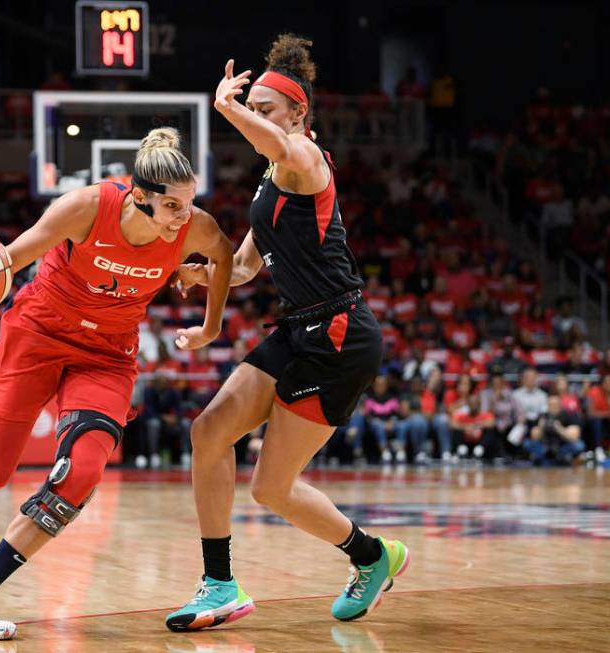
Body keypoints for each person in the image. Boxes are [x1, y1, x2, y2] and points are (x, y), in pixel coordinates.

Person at [0, 127, 233, 640]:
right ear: (139, 197)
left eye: (189, 204)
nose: (184, 217)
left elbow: (225, 255)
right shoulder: (86, 208)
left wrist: (211, 326)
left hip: (107, 355)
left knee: (82, 473)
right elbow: (13, 254)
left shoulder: (193, 228)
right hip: (39, 334)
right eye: (172, 207)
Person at [165, 36, 408, 632]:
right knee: (208, 431)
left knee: (271, 489)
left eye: (268, 109)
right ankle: (219, 584)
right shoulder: (271, 181)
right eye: (256, 108)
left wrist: (229, 107)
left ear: (298, 115)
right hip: (299, 325)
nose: (260, 119)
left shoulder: (304, 158)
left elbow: (273, 141)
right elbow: (247, 266)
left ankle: (373, 556)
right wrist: (200, 276)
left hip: (339, 335)